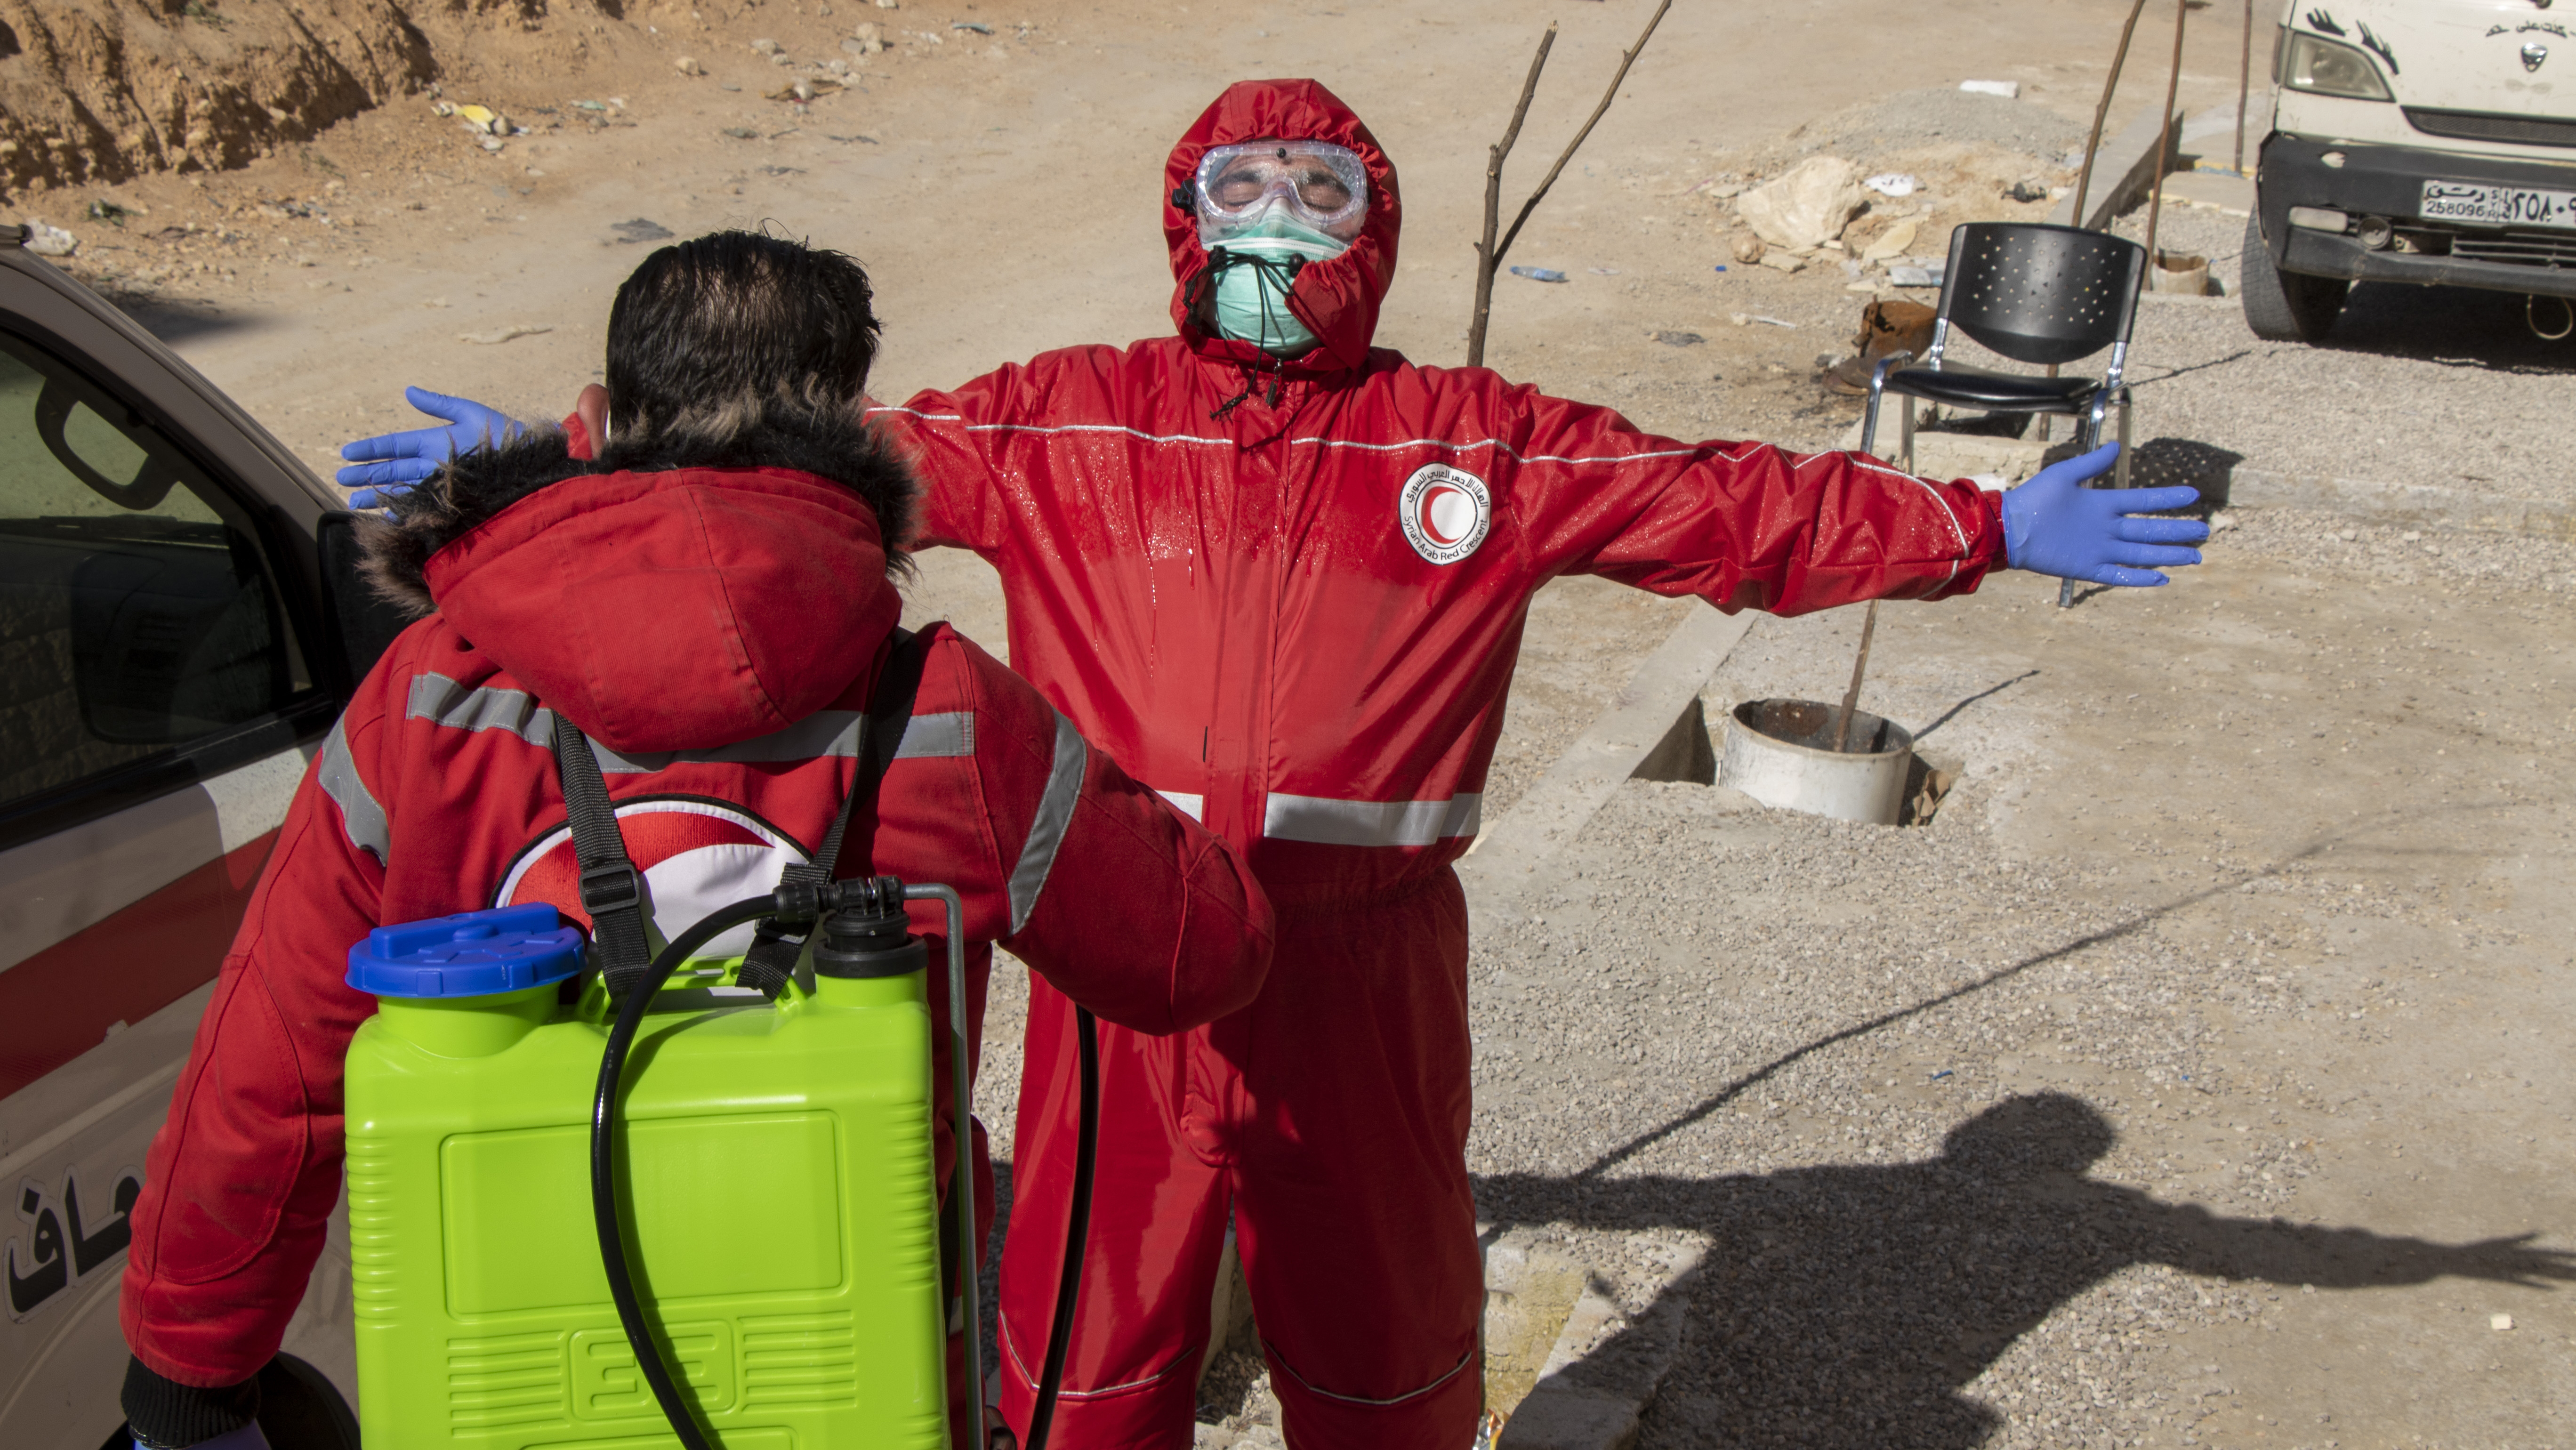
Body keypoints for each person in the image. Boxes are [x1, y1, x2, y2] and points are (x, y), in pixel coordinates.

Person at [339, 80, 2208, 1450]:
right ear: (1183, 215)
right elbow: (800, 459)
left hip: (1364, 966)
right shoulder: (1068, 418)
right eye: (1244, 187)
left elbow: (1729, 501)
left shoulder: (1474, 438)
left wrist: (1978, 521)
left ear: (1374, 233)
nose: (1278, 226)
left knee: (1386, 1337)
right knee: (1093, 1342)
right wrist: (571, 446)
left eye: (1322, 193)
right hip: (1119, 953)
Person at [117, 232, 1274, 1450]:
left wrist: (189, 1386)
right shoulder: (944, 721)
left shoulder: (428, 697)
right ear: (847, 423)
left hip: (510, 1368)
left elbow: (268, 1070)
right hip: (852, 1379)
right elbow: (1205, 956)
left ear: (607, 415)